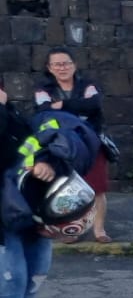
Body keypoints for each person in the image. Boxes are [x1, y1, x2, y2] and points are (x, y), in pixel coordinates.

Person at [0, 89, 64, 298]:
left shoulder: (16, 118)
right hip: (2, 230)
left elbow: (39, 145)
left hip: (28, 221)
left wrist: (45, 164)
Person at [34, 47, 110, 244]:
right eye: (57, 64)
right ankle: (71, 230)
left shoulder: (87, 85)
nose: (62, 68)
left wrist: (62, 106)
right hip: (62, 145)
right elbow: (43, 110)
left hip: (91, 142)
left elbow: (94, 104)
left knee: (98, 188)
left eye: (66, 63)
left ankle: (99, 230)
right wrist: (76, 106)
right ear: (49, 68)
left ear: (74, 65)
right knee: (66, 188)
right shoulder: (44, 89)